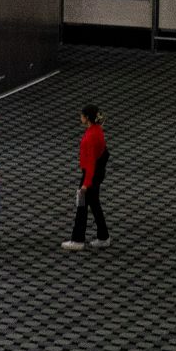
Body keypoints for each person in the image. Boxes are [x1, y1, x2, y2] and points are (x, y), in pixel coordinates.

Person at [63, 104, 111, 252]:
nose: (80, 117)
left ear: (87, 118)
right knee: (95, 205)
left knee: (82, 207)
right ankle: (103, 237)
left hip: (90, 176)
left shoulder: (90, 137)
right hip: (97, 174)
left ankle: (78, 240)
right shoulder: (97, 130)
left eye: (82, 115)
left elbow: (90, 164)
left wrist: (85, 184)